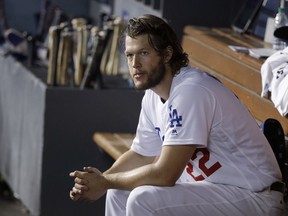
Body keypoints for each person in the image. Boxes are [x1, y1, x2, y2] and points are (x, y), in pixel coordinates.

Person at [69, 14, 285, 216]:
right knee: (120, 192)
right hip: (213, 190)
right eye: (130, 55)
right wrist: (101, 180)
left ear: (167, 54)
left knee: (142, 199)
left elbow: (165, 174)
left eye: (144, 53)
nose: (135, 64)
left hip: (255, 195)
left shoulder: (191, 91)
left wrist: (106, 182)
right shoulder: (153, 96)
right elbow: (141, 155)